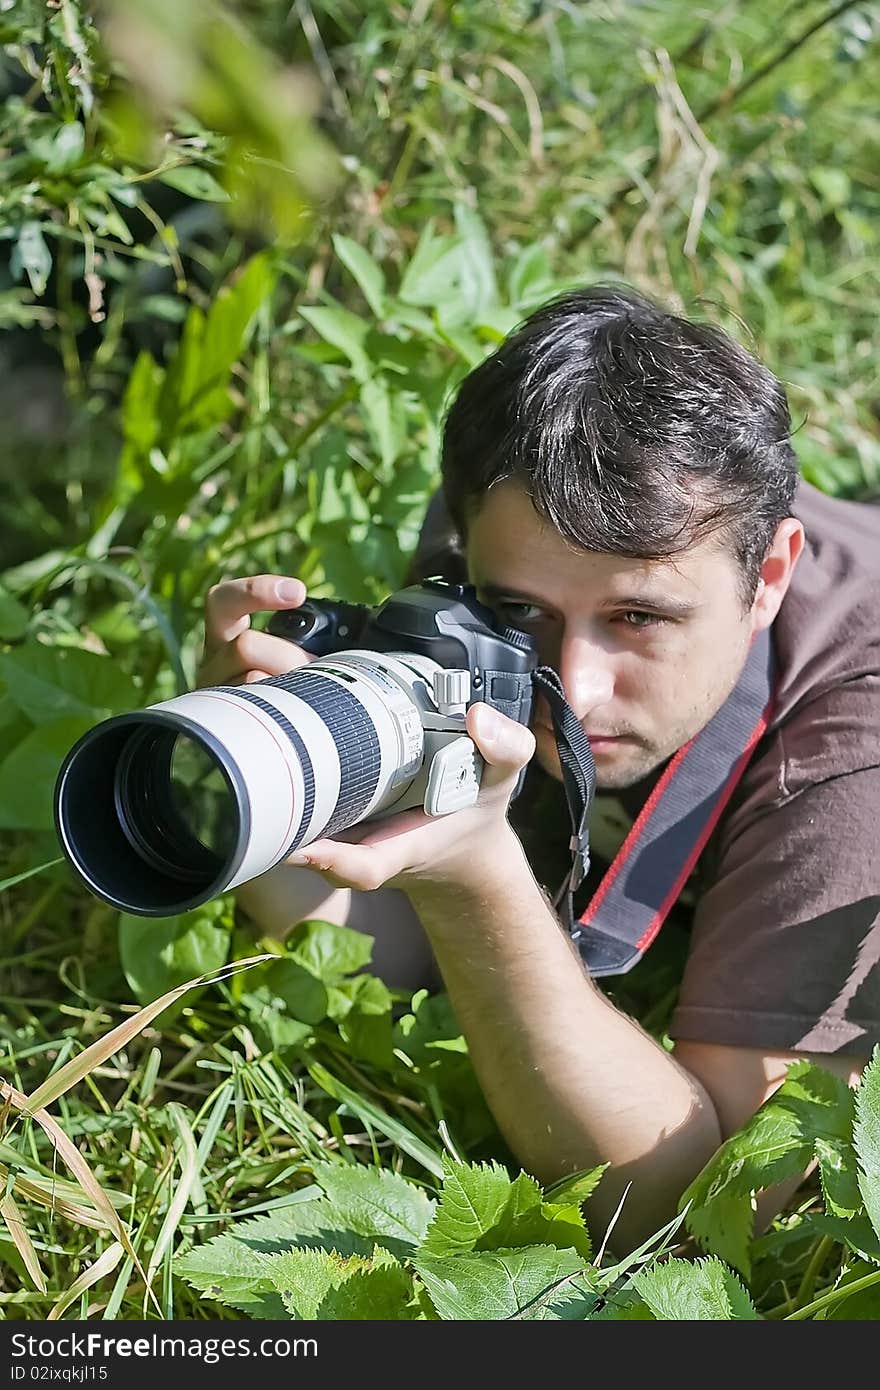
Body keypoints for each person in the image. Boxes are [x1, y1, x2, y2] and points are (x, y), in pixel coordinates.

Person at [197, 285, 880, 1250]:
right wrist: (253, 756)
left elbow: (718, 1212)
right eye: (522, 615)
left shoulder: (854, 738)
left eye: (640, 619)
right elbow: (382, 953)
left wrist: (479, 876)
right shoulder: (513, 535)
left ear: (767, 578)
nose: (577, 687)